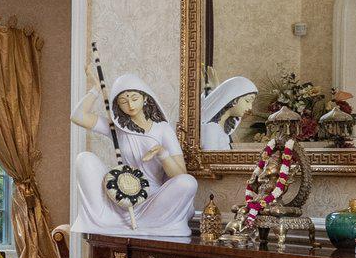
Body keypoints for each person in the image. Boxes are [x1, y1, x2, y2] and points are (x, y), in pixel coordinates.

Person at [71, 65, 199, 237]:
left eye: (134, 98)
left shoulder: (163, 130)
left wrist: (163, 154)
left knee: (188, 182)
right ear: (117, 104)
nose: (130, 105)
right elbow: (77, 116)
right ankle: (106, 219)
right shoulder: (117, 128)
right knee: (84, 159)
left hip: (154, 200)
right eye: (123, 101)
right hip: (124, 197)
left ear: (145, 97)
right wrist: (95, 90)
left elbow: (180, 175)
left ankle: (149, 223)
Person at [199, 75, 258, 151]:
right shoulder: (211, 129)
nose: (250, 107)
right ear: (233, 99)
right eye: (247, 101)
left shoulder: (222, 129)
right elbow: (210, 159)